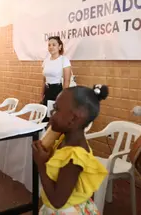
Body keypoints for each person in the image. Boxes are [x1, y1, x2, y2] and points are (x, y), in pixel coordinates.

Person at [32, 84, 109, 214]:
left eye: (56, 109)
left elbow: (57, 201)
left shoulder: (74, 157)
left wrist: (41, 164)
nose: (51, 114)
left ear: (73, 118)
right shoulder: (64, 139)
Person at [41, 36, 73, 122]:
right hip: (47, 91)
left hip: (58, 91)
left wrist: (63, 98)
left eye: (54, 45)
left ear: (59, 47)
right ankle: (45, 135)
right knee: (45, 119)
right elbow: (44, 80)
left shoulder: (64, 60)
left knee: (56, 119)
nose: (51, 47)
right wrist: (41, 95)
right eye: (49, 45)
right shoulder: (46, 61)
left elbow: (67, 81)